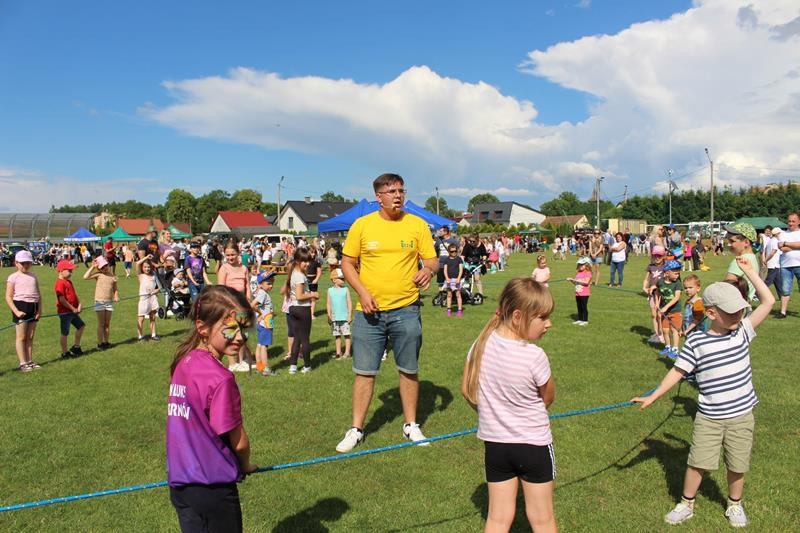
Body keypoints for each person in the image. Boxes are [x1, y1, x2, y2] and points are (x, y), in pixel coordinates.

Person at [632, 257, 775, 528]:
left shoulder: (743, 332)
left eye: (741, 310)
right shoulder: (697, 341)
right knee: (697, 463)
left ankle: (734, 504)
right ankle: (687, 503)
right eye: (732, 312)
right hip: (709, 417)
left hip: (741, 416)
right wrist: (654, 395)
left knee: (737, 464)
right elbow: (678, 371)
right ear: (710, 314)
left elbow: (768, 301)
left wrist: (749, 273)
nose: (739, 316)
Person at [335, 173, 439, 453]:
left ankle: (411, 425)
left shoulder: (417, 225)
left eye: (401, 190)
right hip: (369, 312)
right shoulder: (362, 225)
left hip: (407, 309)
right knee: (365, 372)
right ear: (378, 197)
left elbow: (432, 260)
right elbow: (347, 263)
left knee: (409, 369)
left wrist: (428, 270)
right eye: (392, 191)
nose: (398, 196)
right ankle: (356, 429)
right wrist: (362, 292)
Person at [460, 277, 557, 533]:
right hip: (534, 446)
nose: (548, 324)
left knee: (497, 519)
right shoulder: (534, 355)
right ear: (517, 316)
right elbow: (548, 397)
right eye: (542, 317)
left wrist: (492, 413)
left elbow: (466, 390)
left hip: (496, 447)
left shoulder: (480, 344)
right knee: (543, 520)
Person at [166, 285, 258, 533]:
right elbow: (239, 442)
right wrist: (246, 464)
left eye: (243, 328)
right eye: (230, 329)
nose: (240, 337)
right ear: (202, 327)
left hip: (181, 485)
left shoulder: (184, 362)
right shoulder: (221, 379)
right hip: (213, 489)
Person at [217, 240, 252, 372]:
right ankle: (233, 363)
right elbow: (221, 290)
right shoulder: (224, 268)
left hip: (242, 305)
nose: (230, 257)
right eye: (228, 255)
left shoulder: (243, 268)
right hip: (229, 306)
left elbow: (247, 286)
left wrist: (248, 302)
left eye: (233, 254)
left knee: (242, 333)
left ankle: (242, 360)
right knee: (231, 333)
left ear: (238, 253)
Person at [5, 250, 42, 372]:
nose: (26, 265)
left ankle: (30, 361)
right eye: (23, 263)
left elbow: (38, 294)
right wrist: (16, 311)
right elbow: (8, 297)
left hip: (33, 306)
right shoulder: (13, 277)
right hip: (20, 306)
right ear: (16, 263)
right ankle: (23, 363)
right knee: (21, 337)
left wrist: (39, 310)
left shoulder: (33, 276)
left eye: (28, 263)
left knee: (30, 336)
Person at [84, 256, 119, 350]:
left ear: (108, 265)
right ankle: (100, 343)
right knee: (101, 324)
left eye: (105, 266)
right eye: (102, 267)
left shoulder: (112, 276)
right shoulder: (98, 275)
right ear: (99, 268)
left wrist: (116, 296)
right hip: (99, 301)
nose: (104, 268)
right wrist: (92, 267)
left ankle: (106, 342)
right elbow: (85, 277)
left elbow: (115, 288)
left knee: (107, 324)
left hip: (109, 302)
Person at [54, 259, 85, 359]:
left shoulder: (68, 282)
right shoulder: (59, 283)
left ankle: (76, 347)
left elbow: (74, 295)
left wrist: (79, 304)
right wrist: (72, 308)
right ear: (61, 271)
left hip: (72, 311)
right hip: (65, 313)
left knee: (81, 326)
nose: (71, 273)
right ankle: (64, 352)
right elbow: (62, 299)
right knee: (65, 332)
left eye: (72, 271)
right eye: (69, 271)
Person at [653, 260, 683, 359]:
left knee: (674, 330)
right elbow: (658, 292)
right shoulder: (660, 282)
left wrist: (665, 307)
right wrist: (657, 303)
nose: (677, 275)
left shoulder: (677, 283)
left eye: (678, 273)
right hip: (664, 312)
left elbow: (676, 297)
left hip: (675, 311)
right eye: (675, 273)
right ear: (667, 273)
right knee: (665, 330)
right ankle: (668, 347)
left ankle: (675, 350)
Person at [723, 223, 759, 301]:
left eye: (732, 241)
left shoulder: (740, 261)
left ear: (746, 242)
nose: (729, 244)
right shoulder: (752, 258)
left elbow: (727, 287)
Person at [251, 271, 277, 377]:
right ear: (260, 284)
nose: (271, 286)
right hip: (266, 324)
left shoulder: (263, 293)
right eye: (268, 283)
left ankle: (259, 367)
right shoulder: (262, 293)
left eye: (272, 283)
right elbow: (253, 305)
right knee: (264, 346)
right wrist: (261, 313)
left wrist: (269, 313)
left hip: (263, 323)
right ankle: (266, 368)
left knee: (259, 344)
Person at [776, 212, 800, 319]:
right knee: (785, 290)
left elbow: (785, 245)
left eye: (793, 221)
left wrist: (786, 243)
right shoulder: (783, 234)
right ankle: (783, 312)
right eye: (789, 221)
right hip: (786, 265)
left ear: (799, 222)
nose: (790, 223)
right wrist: (796, 246)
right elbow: (782, 248)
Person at [327, 267, 353, 360]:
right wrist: (329, 315)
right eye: (341, 278)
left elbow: (349, 302)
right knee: (337, 335)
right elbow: (328, 303)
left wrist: (349, 315)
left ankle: (347, 352)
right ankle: (338, 352)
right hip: (335, 317)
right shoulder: (330, 290)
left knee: (346, 335)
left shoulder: (346, 289)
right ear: (334, 280)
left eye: (343, 278)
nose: (343, 280)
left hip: (344, 317)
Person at [643, 246, 667, 344]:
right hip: (652, 294)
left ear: (663, 256)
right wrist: (644, 287)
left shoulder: (665, 267)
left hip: (661, 294)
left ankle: (661, 334)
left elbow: (667, 280)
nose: (657, 258)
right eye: (655, 255)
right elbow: (646, 279)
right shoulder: (651, 266)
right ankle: (656, 333)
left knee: (659, 314)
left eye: (659, 256)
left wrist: (656, 287)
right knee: (653, 315)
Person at [136, 255, 160, 342]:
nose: (147, 269)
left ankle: (153, 335)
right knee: (141, 318)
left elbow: (159, 287)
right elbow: (137, 263)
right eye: (145, 267)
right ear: (142, 268)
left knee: (152, 317)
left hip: (152, 298)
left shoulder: (153, 275)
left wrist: (156, 290)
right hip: (144, 298)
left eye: (148, 267)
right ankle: (140, 336)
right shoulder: (141, 276)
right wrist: (146, 257)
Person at [566, 257, 592, 326]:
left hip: (584, 293)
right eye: (579, 264)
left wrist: (574, 280)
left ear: (586, 265)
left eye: (582, 264)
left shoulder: (588, 273)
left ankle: (585, 320)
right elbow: (575, 283)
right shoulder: (578, 273)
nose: (580, 266)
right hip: (577, 293)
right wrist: (571, 280)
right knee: (579, 306)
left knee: (584, 307)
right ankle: (580, 319)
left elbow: (586, 282)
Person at [681, 274, 708, 338]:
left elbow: (697, 320)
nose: (687, 290)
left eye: (690, 287)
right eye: (685, 288)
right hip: (688, 331)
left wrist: (687, 330)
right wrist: (682, 328)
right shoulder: (688, 301)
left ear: (698, 288)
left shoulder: (698, 303)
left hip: (698, 333)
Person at [761, 226, 782, 297]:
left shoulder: (770, 240)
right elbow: (773, 252)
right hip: (774, 264)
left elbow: (765, 250)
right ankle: (756, 293)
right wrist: (765, 260)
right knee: (768, 281)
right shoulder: (775, 241)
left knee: (778, 281)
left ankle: (782, 296)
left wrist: (765, 260)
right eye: (780, 233)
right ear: (777, 234)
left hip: (774, 264)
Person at [443, 244, 464, 317]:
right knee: (449, 295)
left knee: (458, 295)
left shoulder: (459, 259)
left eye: (455, 251)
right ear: (449, 252)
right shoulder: (446, 260)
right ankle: (449, 310)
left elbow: (461, 270)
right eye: (452, 251)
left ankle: (460, 310)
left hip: (456, 280)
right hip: (449, 280)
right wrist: (447, 278)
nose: (454, 253)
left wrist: (458, 278)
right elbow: (445, 270)